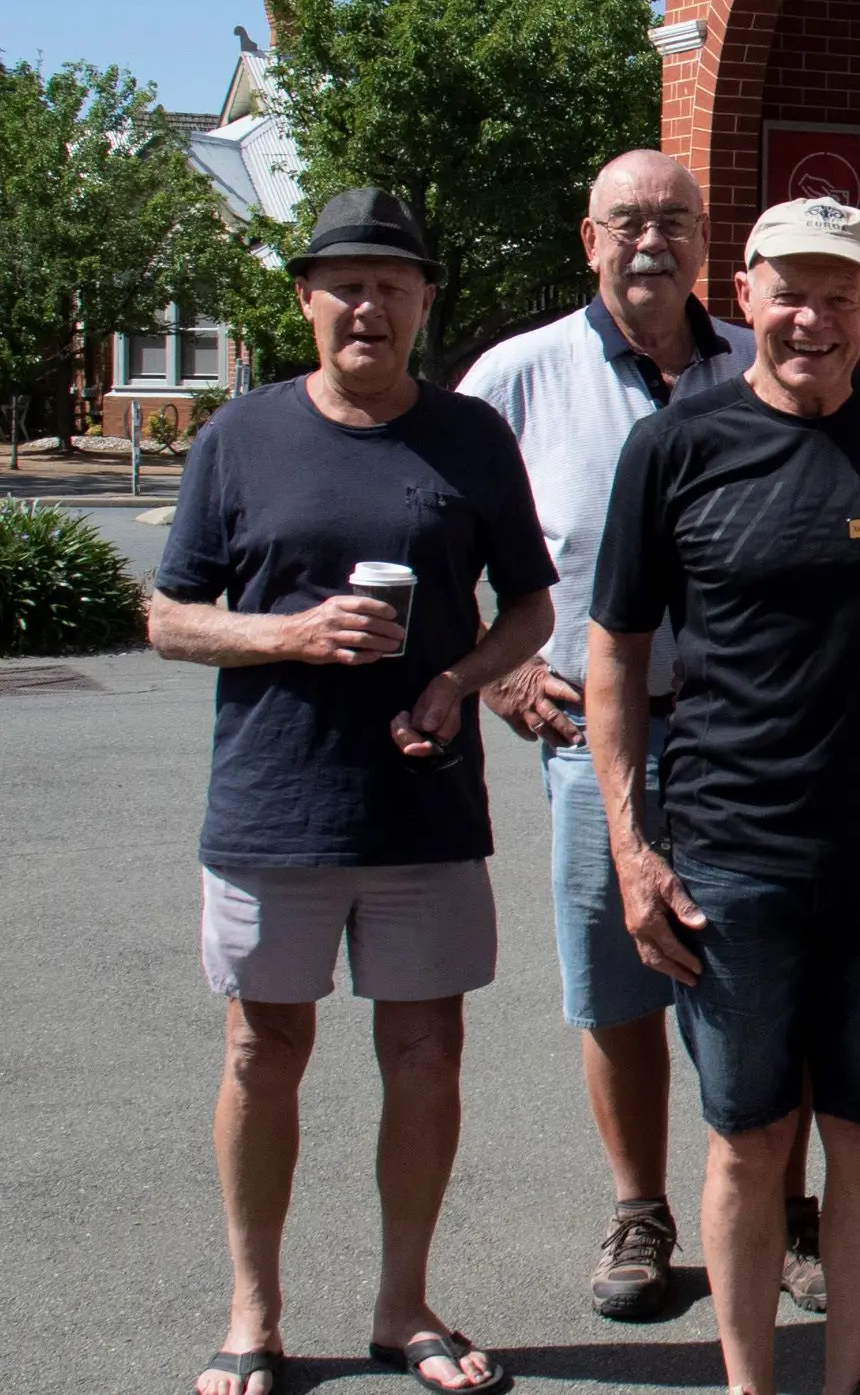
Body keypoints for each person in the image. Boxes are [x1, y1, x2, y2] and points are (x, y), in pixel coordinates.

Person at [583, 197, 860, 1395]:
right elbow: (615, 654)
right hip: (730, 861)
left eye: (840, 294)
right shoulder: (676, 444)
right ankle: (748, 1383)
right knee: (748, 1140)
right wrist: (633, 850)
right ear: (745, 294)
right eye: (789, 290)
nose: (811, 317)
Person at [152, 186, 558, 1395]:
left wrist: (464, 678)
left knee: (427, 1049)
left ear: (425, 302)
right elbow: (169, 617)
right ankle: (253, 1313)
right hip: (275, 801)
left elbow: (529, 603)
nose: (366, 302)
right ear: (306, 301)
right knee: (260, 1051)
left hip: (422, 804)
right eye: (343, 282)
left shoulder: (472, 436)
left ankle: (403, 1306)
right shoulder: (242, 436)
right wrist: (288, 637)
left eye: (391, 282)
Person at [458, 151, 755, 1324]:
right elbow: (440, 555)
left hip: (744, 736)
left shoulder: (753, 362)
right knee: (619, 983)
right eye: (627, 221)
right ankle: (640, 1206)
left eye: (674, 220)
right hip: (594, 740)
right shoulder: (514, 377)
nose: (651, 241)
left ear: (703, 238)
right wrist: (500, 673)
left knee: (756, 971)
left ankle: (770, 1197)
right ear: (588, 238)